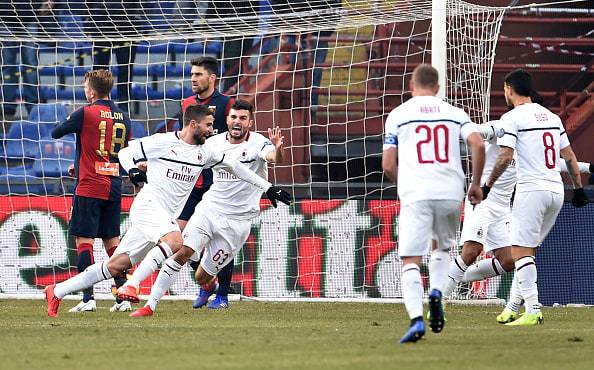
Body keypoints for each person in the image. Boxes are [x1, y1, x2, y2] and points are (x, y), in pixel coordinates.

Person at [44, 103, 291, 317]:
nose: (211, 130)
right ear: (193, 124)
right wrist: (132, 169)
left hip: (163, 216)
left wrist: (269, 188)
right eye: (207, 125)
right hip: (148, 206)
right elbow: (126, 151)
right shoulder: (163, 142)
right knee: (175, 241)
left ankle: (56, 292)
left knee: (115, 265)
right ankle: (133, 286)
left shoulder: (205, 152)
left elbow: (237, 168)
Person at [126, 99, 286, 317]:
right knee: (181, 252)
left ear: (250, 122)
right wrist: (151, 165)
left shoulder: (258, 142)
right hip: (210, 209)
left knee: (202, 277)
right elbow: (183, 155)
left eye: (243, 118)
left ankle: (210, 288)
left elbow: (271, 157)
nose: (237, 122)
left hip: (238, 222)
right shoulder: (213, 142)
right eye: (233, 117)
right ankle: (149, 305)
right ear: (227, 119)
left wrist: (277, 151)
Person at [382, 64, 485, 343]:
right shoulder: (454, 113)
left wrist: (404, 184)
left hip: (416, 191)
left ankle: (416, 319)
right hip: (451, 191)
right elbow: (478, 144)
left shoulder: (399, 114)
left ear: (411, 87)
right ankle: (437, 292)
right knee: (442, 248)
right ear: (438, 88)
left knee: (410, 259)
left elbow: (388, 164)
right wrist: (475, 184)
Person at [483, 69, 588, 326]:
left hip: (532, 190)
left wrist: (487, 185)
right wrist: (578, 189)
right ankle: (511, 307)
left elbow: (506, 156)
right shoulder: (552, 117)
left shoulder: (512, 117)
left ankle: (533, 309)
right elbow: (569, 156)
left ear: (509, 89)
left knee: (520, 251)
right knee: (527, 252)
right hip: (556, 191)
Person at [51, 69, 132, 313]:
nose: (85, 91)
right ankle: (123, 295)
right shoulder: (124, 116)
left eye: (86, 87)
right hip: (113, 185)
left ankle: (88, 298)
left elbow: (56, 132)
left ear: (92, 91)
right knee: (112, 241)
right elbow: (119, 153)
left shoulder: (85, 112)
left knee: (84, 241)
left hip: (89, 185)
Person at [161, 56, 239, 309]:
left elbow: (236, 140)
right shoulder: (187, 104)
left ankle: (223, 296)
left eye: (198, 75)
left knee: (221, 239)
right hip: (190, 183)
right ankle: (208, 285)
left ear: (212, 78)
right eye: (191, 74)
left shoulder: (227, 105)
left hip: (219, 185)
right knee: (176, 239)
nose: (193, 79)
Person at [85, 0, 142, 113]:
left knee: (126, 69)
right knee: (99, 71)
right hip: (100, 21)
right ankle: (98, 106)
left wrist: (140, 18)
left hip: (127, 21)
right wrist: (88, 19)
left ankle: (124, 107)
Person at [0, 0, 53, 118]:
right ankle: (7, 110)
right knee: (8, 67)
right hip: (5, 17)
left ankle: (34, 109)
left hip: (29, 16)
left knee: (31, 66)